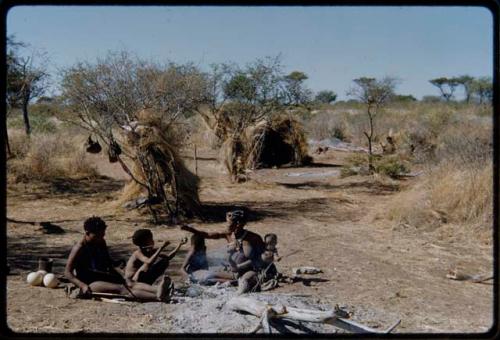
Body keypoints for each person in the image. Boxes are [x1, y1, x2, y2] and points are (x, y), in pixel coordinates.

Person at [64, 216, 172, 302]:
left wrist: (116, 263)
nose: (101, 238)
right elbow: (67, 272)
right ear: (87, 233)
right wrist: (82, 286)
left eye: (103, 235)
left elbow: (107, 260)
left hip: (102, 275)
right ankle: (157, 297)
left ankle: (159, 290)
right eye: (98, 235)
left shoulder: (101, 242)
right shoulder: (79, 248)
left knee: (129, 282)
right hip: (90, 282)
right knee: (122, 289)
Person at [181, 209, 266, 294]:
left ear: (238, 224)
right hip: (232, 272)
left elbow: (261, 258)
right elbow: (207, 235)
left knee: (245, 280)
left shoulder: (254, 238)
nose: (227, 226)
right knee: (205, 277)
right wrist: (191, 230)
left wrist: (240, 267)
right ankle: (232, 282)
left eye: (229, 223)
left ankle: (235, 281)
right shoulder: (228, 234)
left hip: (248, 271)